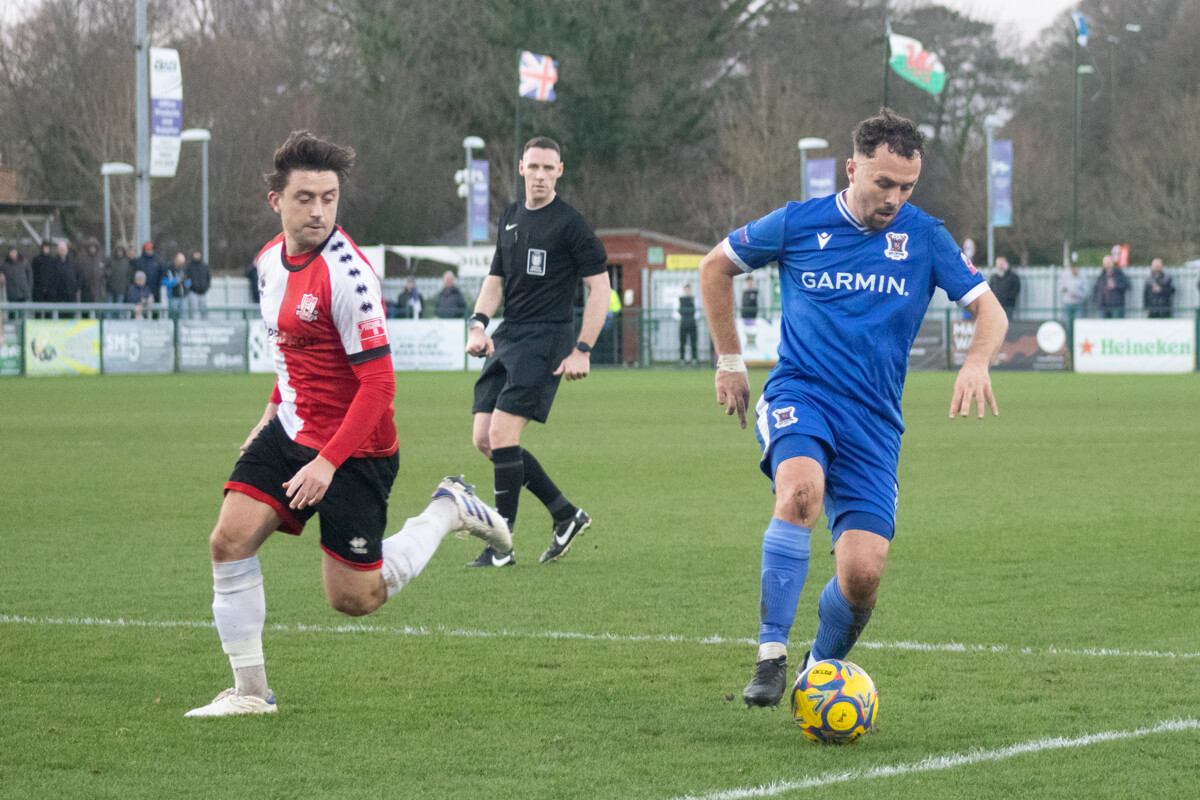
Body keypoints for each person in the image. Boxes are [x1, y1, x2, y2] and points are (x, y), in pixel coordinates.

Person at [186, 130, 511, 718]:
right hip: (292, 427)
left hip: (356, 447)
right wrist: (269, 414)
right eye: (306, 198)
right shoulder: (267, 263)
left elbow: (379, 387)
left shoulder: (349, 276)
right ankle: (251, 693)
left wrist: (328, 461)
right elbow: (291, 353)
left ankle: (447, 510)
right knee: (228, 540)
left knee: (353, 598)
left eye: (329, 198)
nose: (319, 211)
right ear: (276, 201)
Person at [698, 108, 1006, 708]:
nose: (894, 198)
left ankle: (820, 669)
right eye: (883, 182)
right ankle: (769, 656)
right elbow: (715, 267)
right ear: (852, 168)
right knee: (800, 493)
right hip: (802, 394)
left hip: (874, 422)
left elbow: (989, 310)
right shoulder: (797, 223)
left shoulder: (925, 236)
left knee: (863, 574)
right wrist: (730, 361)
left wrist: (976, 362)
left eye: (906, 186)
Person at [464, 135, 610, 567]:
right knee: (484, 439)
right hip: (509, 336)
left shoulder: (570, 224)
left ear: (560, 171)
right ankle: (565, 515)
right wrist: (478, 324)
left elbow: (599, 288)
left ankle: (500, 548)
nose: (542, 175)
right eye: (535, 167)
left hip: (547, 338)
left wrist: (583, 348)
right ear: (522, 168)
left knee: (503, 436)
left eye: (550, 168)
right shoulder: (510, 216)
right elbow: (495, 279)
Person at [185, 250, 212, 319]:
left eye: (198, 254)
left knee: (204, 310)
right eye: (195, 254)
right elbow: (186, 278)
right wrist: (189, 287)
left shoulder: (204, 266)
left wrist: (207, 286)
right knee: (192, 310)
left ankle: (204, 325)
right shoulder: (189, 266)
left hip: (203, 292)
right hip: (193, 292)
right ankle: (191, 325)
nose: (196, 256)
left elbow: (208, 277)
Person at [678, 282, 699, 364]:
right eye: (686, 289)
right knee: (682, 342)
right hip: (683, 322)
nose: (687, 291)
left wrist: (693, 319)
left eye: (688, 289)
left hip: (692, 322)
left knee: (693, 342)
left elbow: (697, 312)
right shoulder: (680, 299)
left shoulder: (694, 299)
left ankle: (694, 359)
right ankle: (682, 359)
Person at [164, 252, 189, 318]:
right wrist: (175, 281)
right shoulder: (169, 269)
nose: (181, 264)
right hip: (173, 296)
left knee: (183, 315)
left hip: (183, 296)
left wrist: (187, 285)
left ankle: (182, 327)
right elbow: (164, 281)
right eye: (179, 261)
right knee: (173, 314)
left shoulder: (184, 269)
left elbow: (188, 280)